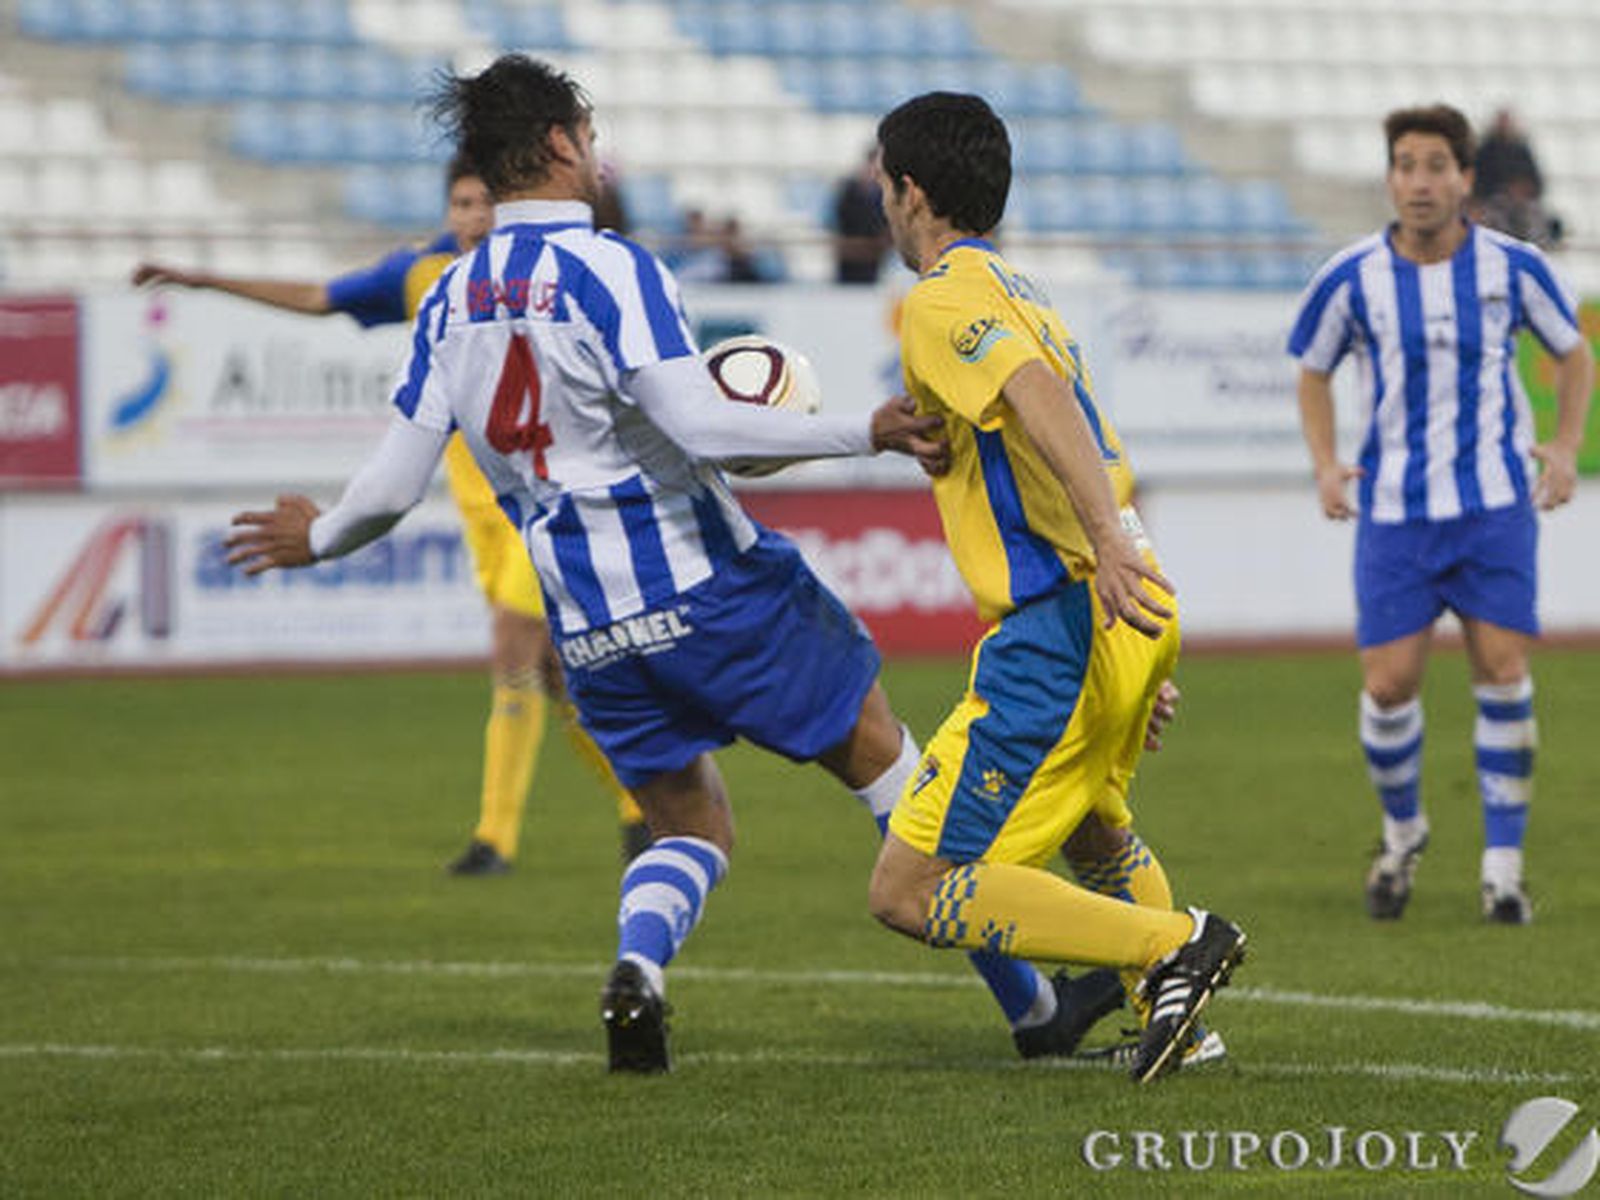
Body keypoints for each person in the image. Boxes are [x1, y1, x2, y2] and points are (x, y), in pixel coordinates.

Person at [225, 55, 1137, 1077]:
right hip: (712, 589)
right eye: (592, 133)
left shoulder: (446, 302)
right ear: (564, 146)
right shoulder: (610, 268)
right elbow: (700, 423)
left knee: (687, 825)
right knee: (889, 764)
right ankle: (1035, 1009)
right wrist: (863, 432)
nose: (600, 152)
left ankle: (640, 969)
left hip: (593, 626)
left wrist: (317, 537)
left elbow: (388, 492)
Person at [861, 92, 1248, 1083]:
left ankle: (1173, 946)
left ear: (911, 190)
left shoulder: (943, 297)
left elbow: (1033, 396)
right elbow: (1041, 408)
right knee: (1093, 832)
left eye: (881, 175)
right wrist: (1124, 616)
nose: (876, 191)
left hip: (1069, 610)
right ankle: (1184, 1025)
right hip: (1120, 603)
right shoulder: (1017, 288)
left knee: (911, 889)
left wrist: (1101, 563)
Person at [131, 153, 653, 875]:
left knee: (513, 654)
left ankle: (494, 840)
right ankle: (641, 808)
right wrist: (204, 279)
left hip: (539, 503)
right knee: (558, 675)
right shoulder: (421, 275)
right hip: (481, 512)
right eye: (461, 204)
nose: (472, 218)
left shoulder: (538, 275)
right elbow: (319, 295)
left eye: (484, 204)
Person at [1287, 104, 1593, 925]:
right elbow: (1312, 370)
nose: (1420, 183)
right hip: (1394, 513)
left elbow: (1573, 351)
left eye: (1435, 167)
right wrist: (1324, 463)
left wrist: (1564, 447)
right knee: (1388, 686)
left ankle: (1502, 868)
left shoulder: (1512, 268)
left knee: (1501, 670)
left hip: (1494, 505)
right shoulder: (1352, 276)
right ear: (1391, 178)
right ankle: (1402, 833)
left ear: (1466, 179)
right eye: (1406, 166)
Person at [1470, 108, 1559, 248]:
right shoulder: (1486, 150)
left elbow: (1536, 180)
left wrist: (1525, 189)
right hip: (1493, 199)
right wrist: (1499, 191)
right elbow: (1478, 180)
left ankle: (1538, 247)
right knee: (1497, 217)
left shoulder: (1521, 149)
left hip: (1522, 200)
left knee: (1533, 215)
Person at [831, 149, 891, 284]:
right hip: (849, 255)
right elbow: (839, 221)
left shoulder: (881, 194)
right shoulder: (848, 190)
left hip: (872, 257)